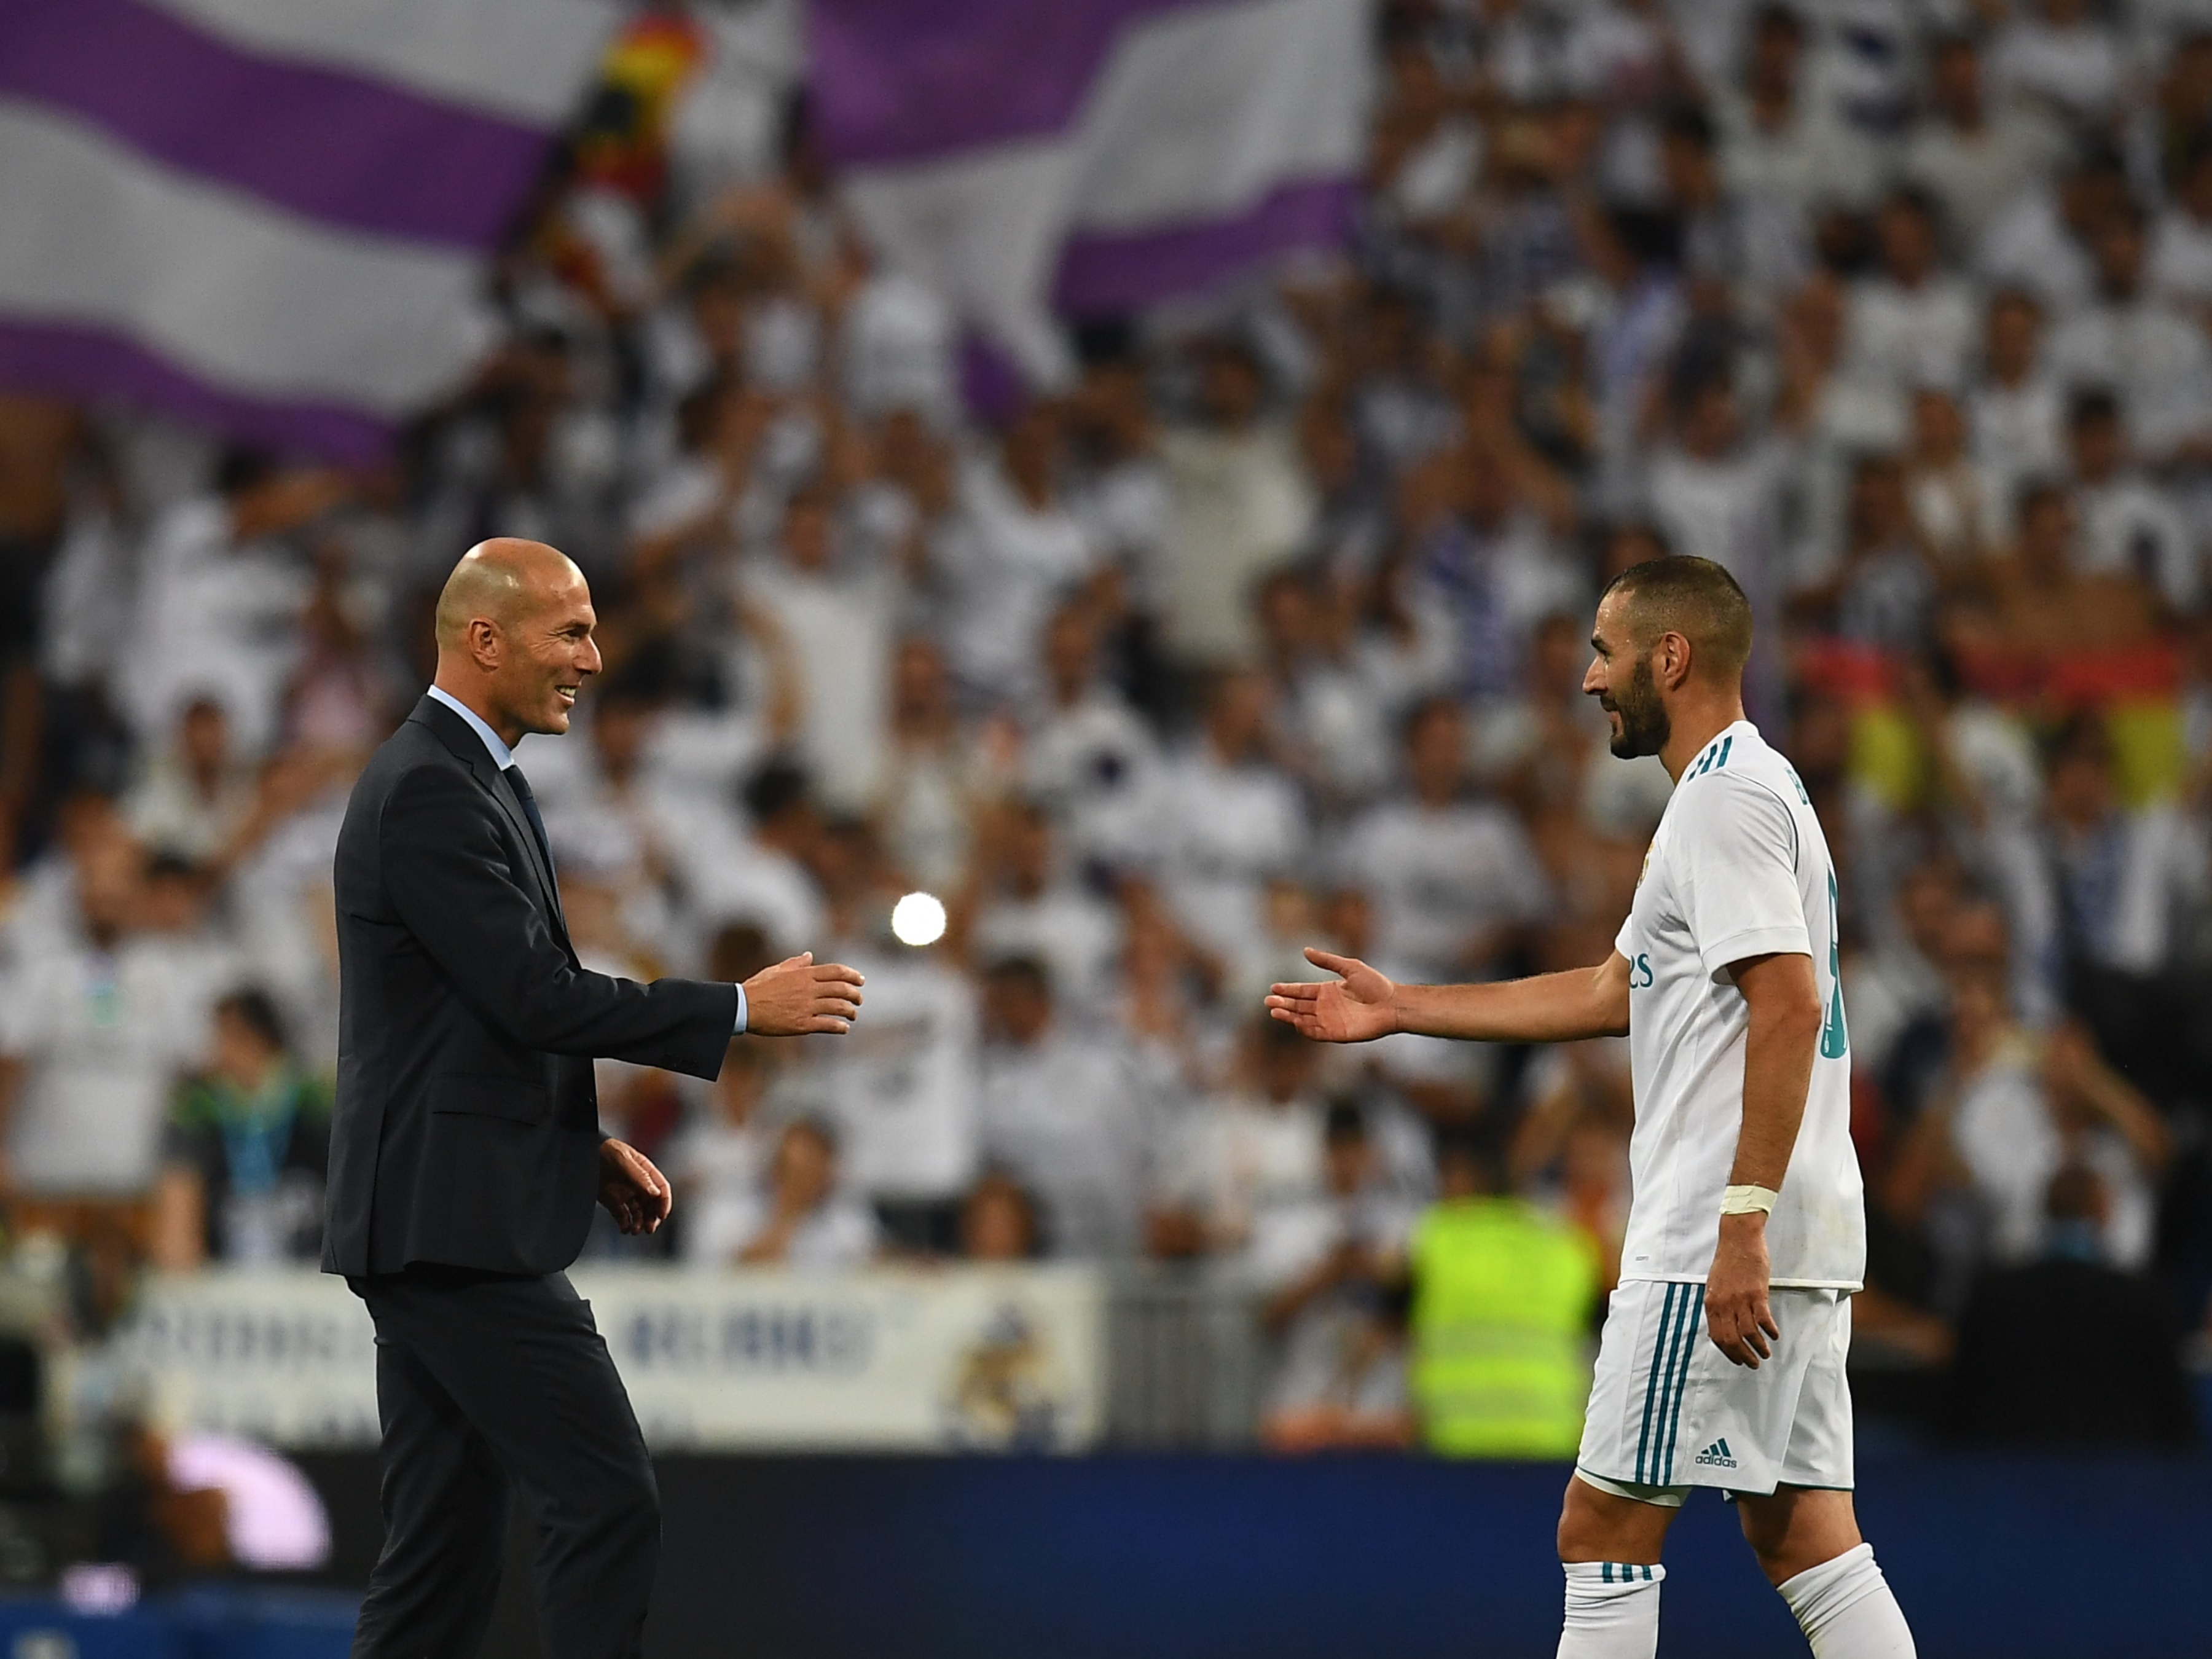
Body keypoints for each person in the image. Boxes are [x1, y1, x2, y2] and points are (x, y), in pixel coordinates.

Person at [1268, 557, 1916, 1659]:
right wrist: (1401, 1007)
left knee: (1602, 1525)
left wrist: (1740, 1221)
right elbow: (1614, 990)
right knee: (1803, 1531)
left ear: (1674, 657)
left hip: (1720, 1225)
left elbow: (1788, 1001)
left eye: (1606, 653)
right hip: (1798, 1221)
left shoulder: (1721, 802)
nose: (1587, 680)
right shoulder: (1751, 789)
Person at [326, 538, 866, 1659]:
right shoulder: (431, 786)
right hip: (454, 1229)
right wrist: (730, 1008)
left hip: (440, 1209)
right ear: (486, 640)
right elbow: (532, 994)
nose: (594, 655)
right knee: (605, 1497)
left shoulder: (473, 777)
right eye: (570, 631)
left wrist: (579, 1143)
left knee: (441, 1556)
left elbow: (466, 1019)